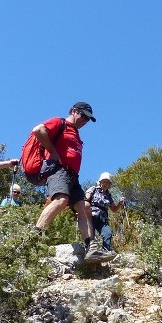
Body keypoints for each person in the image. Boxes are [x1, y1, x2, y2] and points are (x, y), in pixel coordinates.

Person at [31, 102, 114, 262]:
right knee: (61, 200)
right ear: (74, 111)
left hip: (72, 176)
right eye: (83, 116)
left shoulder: (76, 133)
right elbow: (38, 130)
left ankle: (92, 249)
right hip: (59, 170)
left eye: (88, 119)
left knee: (85, 207)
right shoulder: (60, 123)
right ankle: (34, 236)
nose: (85, 121)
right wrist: (53, 152)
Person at [85, 172, 125, 251]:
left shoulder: (109, 196)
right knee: (90, 236)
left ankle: (105, 252)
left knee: (108, 234)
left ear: (110, 185)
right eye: (104, 181)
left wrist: (120, 203)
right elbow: (86, 199)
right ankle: (89, 252)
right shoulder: (93, 189)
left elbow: (114, 209)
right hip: (92, 216)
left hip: (103, 219)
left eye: (107, 182)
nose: (105, 184)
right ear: (100, 182)